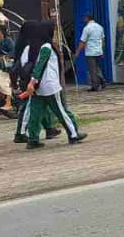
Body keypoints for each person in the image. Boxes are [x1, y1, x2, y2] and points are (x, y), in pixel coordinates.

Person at [16, 20, 86, 149]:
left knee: (35, 114)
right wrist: (33, 82)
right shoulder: (46, 47)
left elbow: (24, 65)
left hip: (37, 88)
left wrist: (30, 83)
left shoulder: (29, 47)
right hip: (49, 85)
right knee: (61, 111)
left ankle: (33, 139)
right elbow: (40, 65)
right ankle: (74, 134)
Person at [79, 13, 107, 91]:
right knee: (97, 68)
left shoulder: (87, 28)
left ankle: (95, 86)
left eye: (85, 18)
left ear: (87, 19)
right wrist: (103, 50)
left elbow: (82, 41)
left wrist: (77, 52)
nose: (84, 19)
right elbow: (103, 40)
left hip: (90, 51)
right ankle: (102, 81)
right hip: (98, 51)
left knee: (92, 70)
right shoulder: (100, 27)